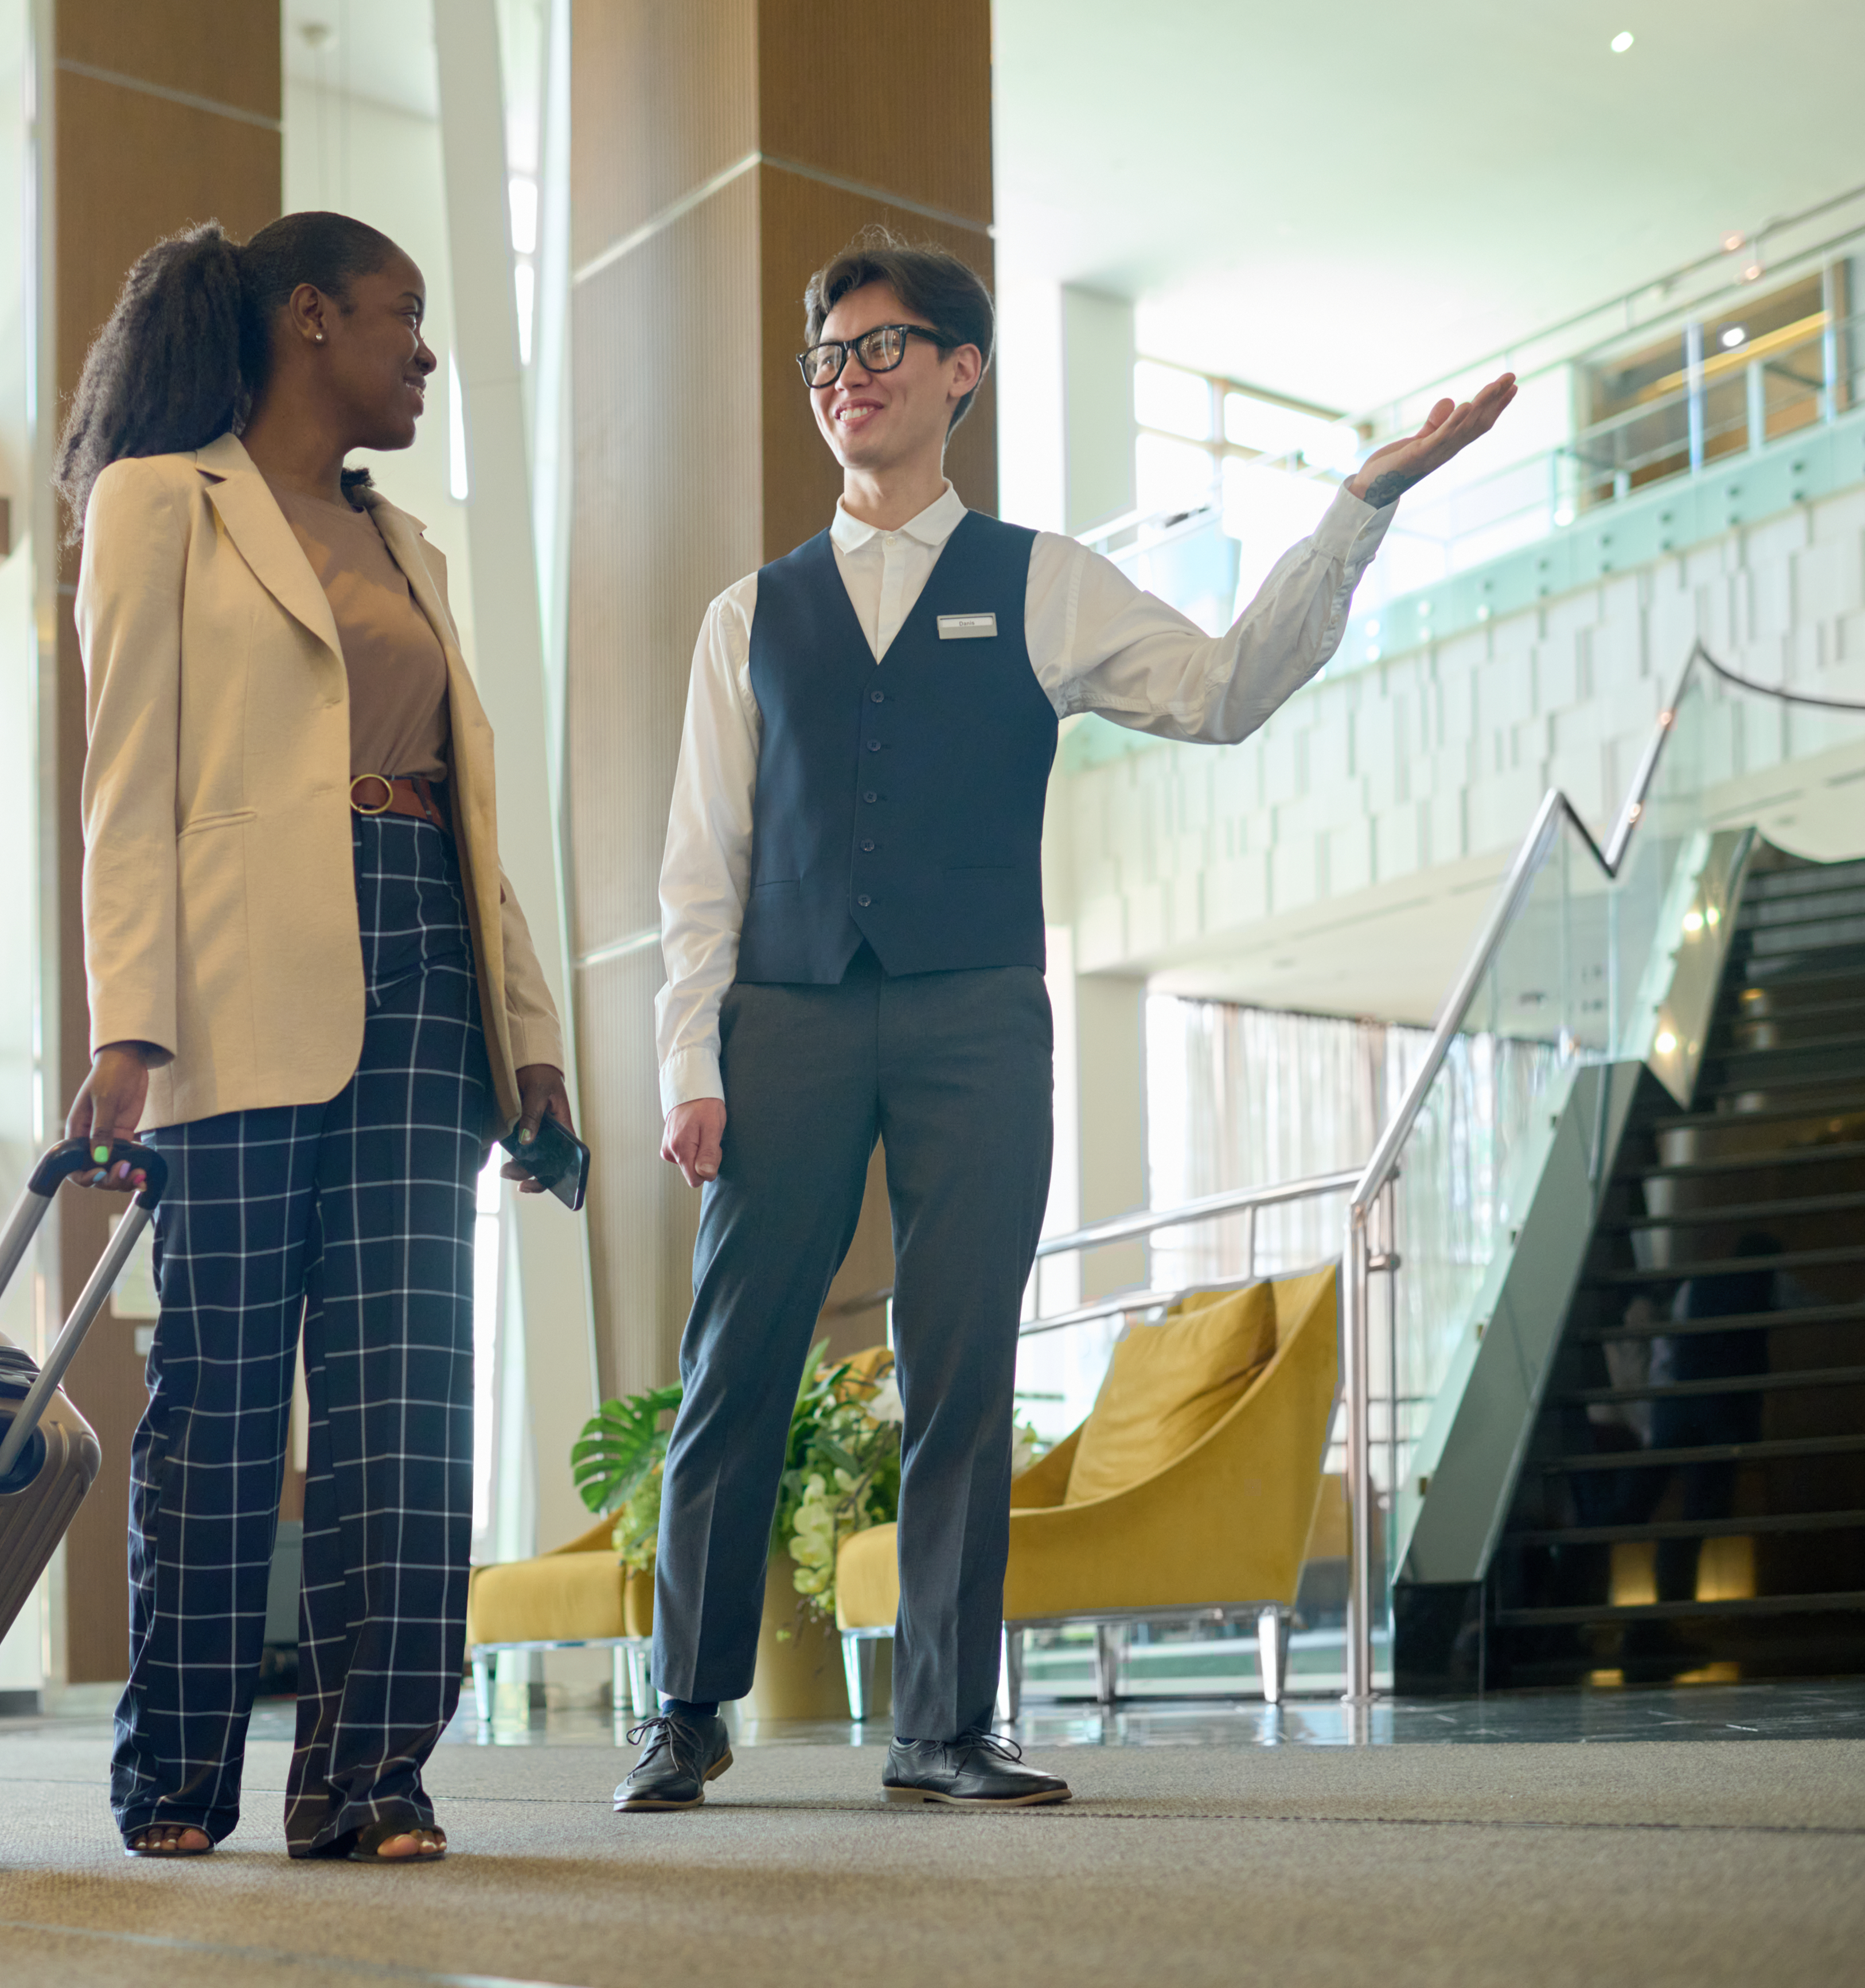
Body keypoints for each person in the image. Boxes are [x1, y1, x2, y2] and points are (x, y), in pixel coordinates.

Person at [621, 230, 1514, 1811]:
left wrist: (1358, 512)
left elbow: (1225, 690)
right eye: (827, 357)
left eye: (880, 348)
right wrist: (690, 1058)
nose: (847, 379)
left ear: (960, 370)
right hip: (790, 1014)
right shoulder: (744, 615)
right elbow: (705, 865)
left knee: (962, 1364)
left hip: (976, 1017)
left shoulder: (1039, 579)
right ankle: (684, 1711)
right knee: (733, 1361)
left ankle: (944, 1728)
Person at [57, 210, 576, 1864]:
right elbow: (127, 783)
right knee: (218, 1393)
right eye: (400, 315)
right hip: (234, 983)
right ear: (307, 318)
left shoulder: (409, 545)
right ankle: (179, 1772)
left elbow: (470, 813)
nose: (424, 352)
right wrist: (127, 1026)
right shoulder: (160, 501)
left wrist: (532, 1033)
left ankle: (372, 1775)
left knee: (407, 1393)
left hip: (428, 961)